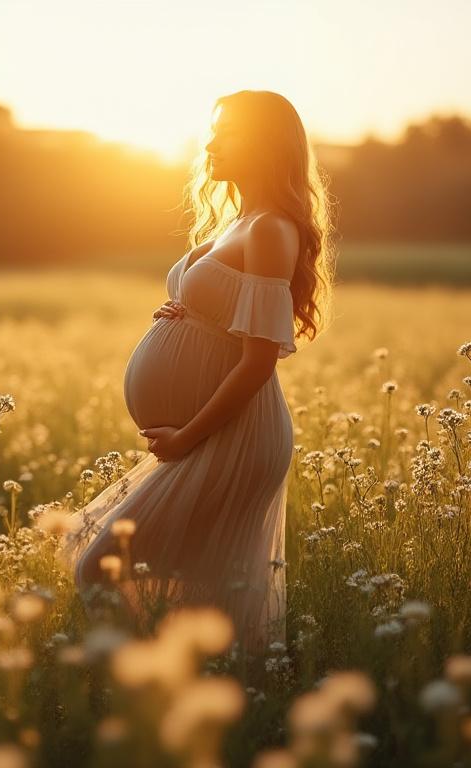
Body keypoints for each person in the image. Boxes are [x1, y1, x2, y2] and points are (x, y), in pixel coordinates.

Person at [63, 90, 335, 654]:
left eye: (227, 132)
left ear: (264, 144)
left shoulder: (270, 230)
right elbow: (227, 322)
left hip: (236, 435)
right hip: (208, 434)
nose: (210, 143)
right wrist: (185, 314)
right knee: (202, 590)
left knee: (99, 564)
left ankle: (151, 687)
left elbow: (258, 359)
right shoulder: (241, 222)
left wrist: (186, 436)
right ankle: (193, 688)